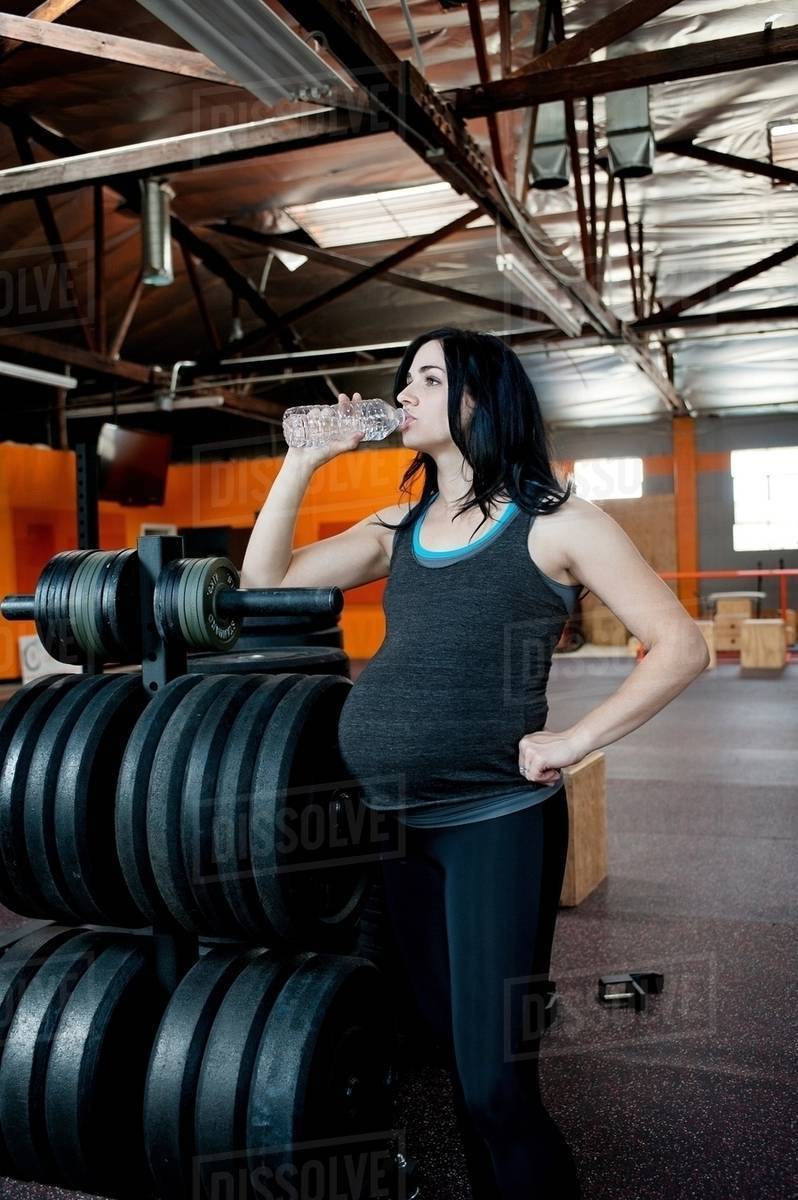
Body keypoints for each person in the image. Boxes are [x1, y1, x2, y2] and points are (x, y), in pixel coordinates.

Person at [241, 326, 710, 1199]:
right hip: (393, 821)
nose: (404, 393)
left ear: (478, 398)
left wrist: (575, 741)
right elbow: (262, 586)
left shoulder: (557, 520)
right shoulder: (401, 523)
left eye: (426, 377)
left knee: (497, 1083)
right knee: (451, 1056)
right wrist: (304, 460)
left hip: (493, 822)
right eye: (404, 377)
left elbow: (680, 645)